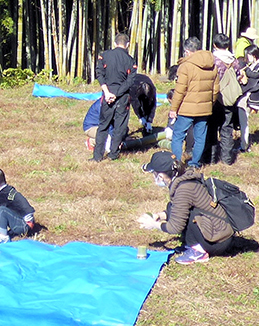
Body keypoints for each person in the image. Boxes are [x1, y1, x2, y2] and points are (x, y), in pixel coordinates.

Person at [142, 152, 239, 265]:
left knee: (188, 214)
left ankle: (198, 251)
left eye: (154, 174)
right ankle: (194, 245)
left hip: (217, 241)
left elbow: (175, 227)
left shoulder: (183, 190)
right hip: (220, 232)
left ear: (161, 176)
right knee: (173, 206)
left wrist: (154, 225)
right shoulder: (184, 179)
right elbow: (176, 209)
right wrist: (159, 216)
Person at [168, 37, 219, 168]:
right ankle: (195, 163)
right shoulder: (212, 65)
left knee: (178, 135)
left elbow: (180, 91)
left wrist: (174, 109)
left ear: (187, 51)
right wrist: (209, 104)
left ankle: (177, 163)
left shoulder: (186, 66)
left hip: (186, 108)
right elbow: (215, 89)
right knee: (200, 137)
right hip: (205, 108)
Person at [93, 31, 136, 162]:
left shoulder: (104, 55)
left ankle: (97, 156)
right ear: (127, 44)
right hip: (122, 97)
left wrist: (107, 92)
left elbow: (99, 74)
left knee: (103, 126)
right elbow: (130, 81)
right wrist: (116, 94)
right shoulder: (130, 60)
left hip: (107, 95)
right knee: (119, 126)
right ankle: (113, 154)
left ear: (114, 43)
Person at [209, 33, 244, 165]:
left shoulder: (212, 60)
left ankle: (212, 159)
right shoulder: (234, 60)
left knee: (212, 128)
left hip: (215, 98)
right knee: (227, 128)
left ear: (214, 45)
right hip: (230, 99)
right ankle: (227, 159)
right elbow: (240, 76)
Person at [0, 167, 35, 243]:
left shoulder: (1, 198)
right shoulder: (9, 189)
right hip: (29, 221)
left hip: (24, 226)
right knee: (1, 211)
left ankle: (3, 237)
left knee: (1, 210)